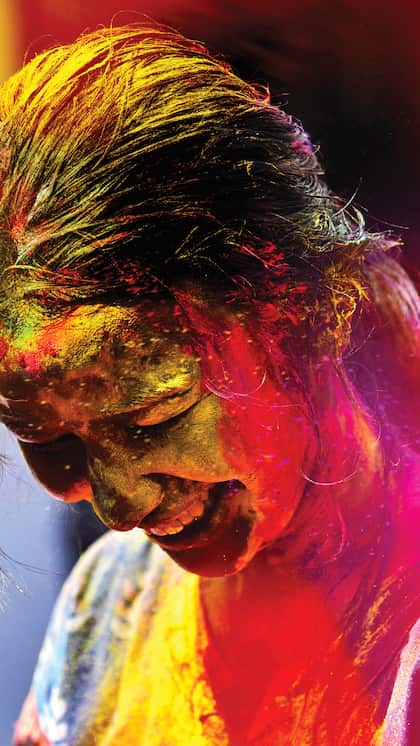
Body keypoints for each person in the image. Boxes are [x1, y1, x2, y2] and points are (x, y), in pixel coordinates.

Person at [0, 24, 417, 746]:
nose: (118, 507)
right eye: (46, 436)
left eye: (154, 416)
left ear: (306, 318)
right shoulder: (108, 602)